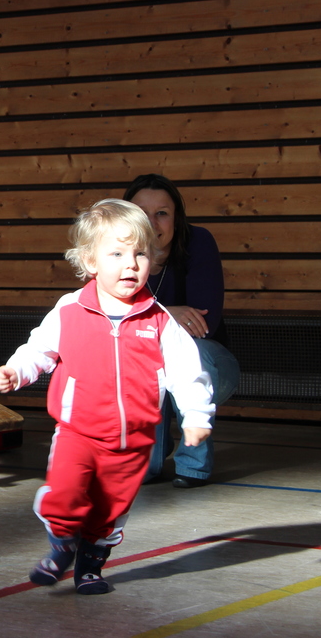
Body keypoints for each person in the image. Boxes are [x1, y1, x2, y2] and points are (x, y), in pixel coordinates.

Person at [0, 199, 213, 594]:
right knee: (65, 494)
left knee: (111, 511)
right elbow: (39, 350)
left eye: (140, 254)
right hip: (77, 432)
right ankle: (62, 543)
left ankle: (90, 567)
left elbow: (188, 371)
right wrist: (16, 371)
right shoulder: (70, 310)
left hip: (134, 441)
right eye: (117, 254)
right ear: (90, 261)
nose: (131, 265)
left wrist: (197, 416)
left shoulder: (159, 320)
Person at [124, 173, 242, 488]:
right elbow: (110, 322)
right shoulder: (115, 253)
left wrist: (145, 319)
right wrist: (168, 313)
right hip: (145, 364)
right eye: (141, 213)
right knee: (134, 358)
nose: (151, 222)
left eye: (162, 213)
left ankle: (193, 465)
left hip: (209, 365)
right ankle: (147, 462)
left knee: (187, 353)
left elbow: (203, 324)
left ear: (177, 219)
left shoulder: (198, 241)